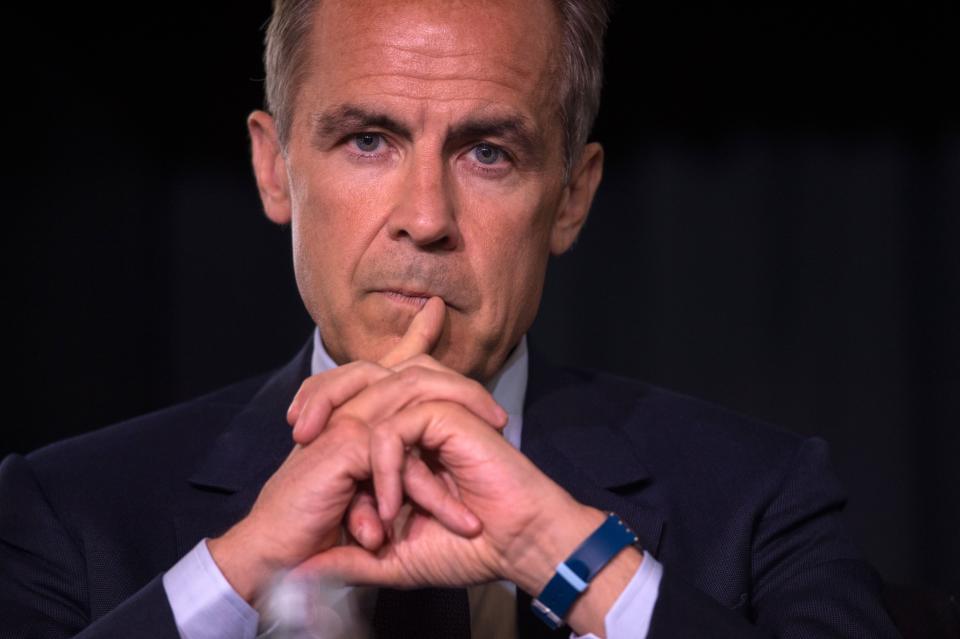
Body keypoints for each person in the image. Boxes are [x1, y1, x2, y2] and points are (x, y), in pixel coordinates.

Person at [0, 0, 901, 638]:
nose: (426, 216)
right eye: (369, 139)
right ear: (274, 168)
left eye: (488, 153)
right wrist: (233, 577)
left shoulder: (761, 494)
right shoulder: (65, 509)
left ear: (571, 198)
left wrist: (564, 553)